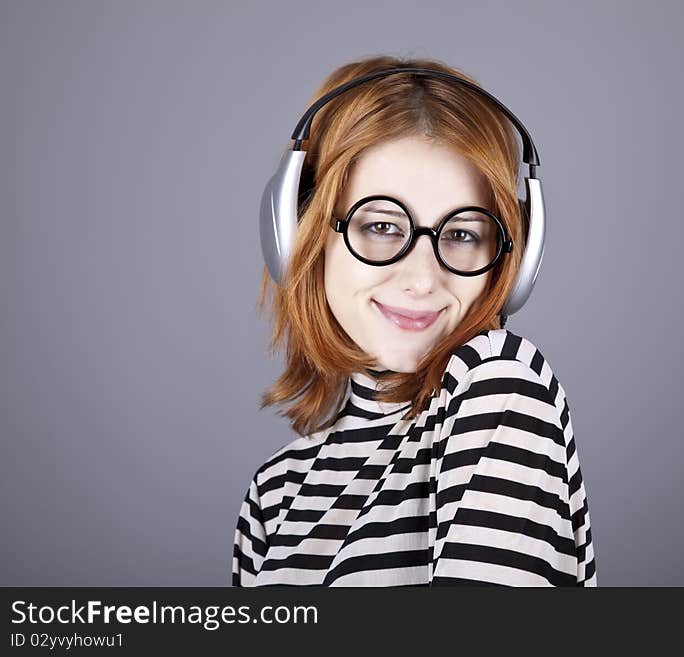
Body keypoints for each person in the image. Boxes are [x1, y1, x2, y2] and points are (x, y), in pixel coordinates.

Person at [232, 55, 597, 586]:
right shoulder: (274, 491)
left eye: (462, 234)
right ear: (297, 234)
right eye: (381, 225)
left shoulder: (501, 387)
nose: (423, 279)